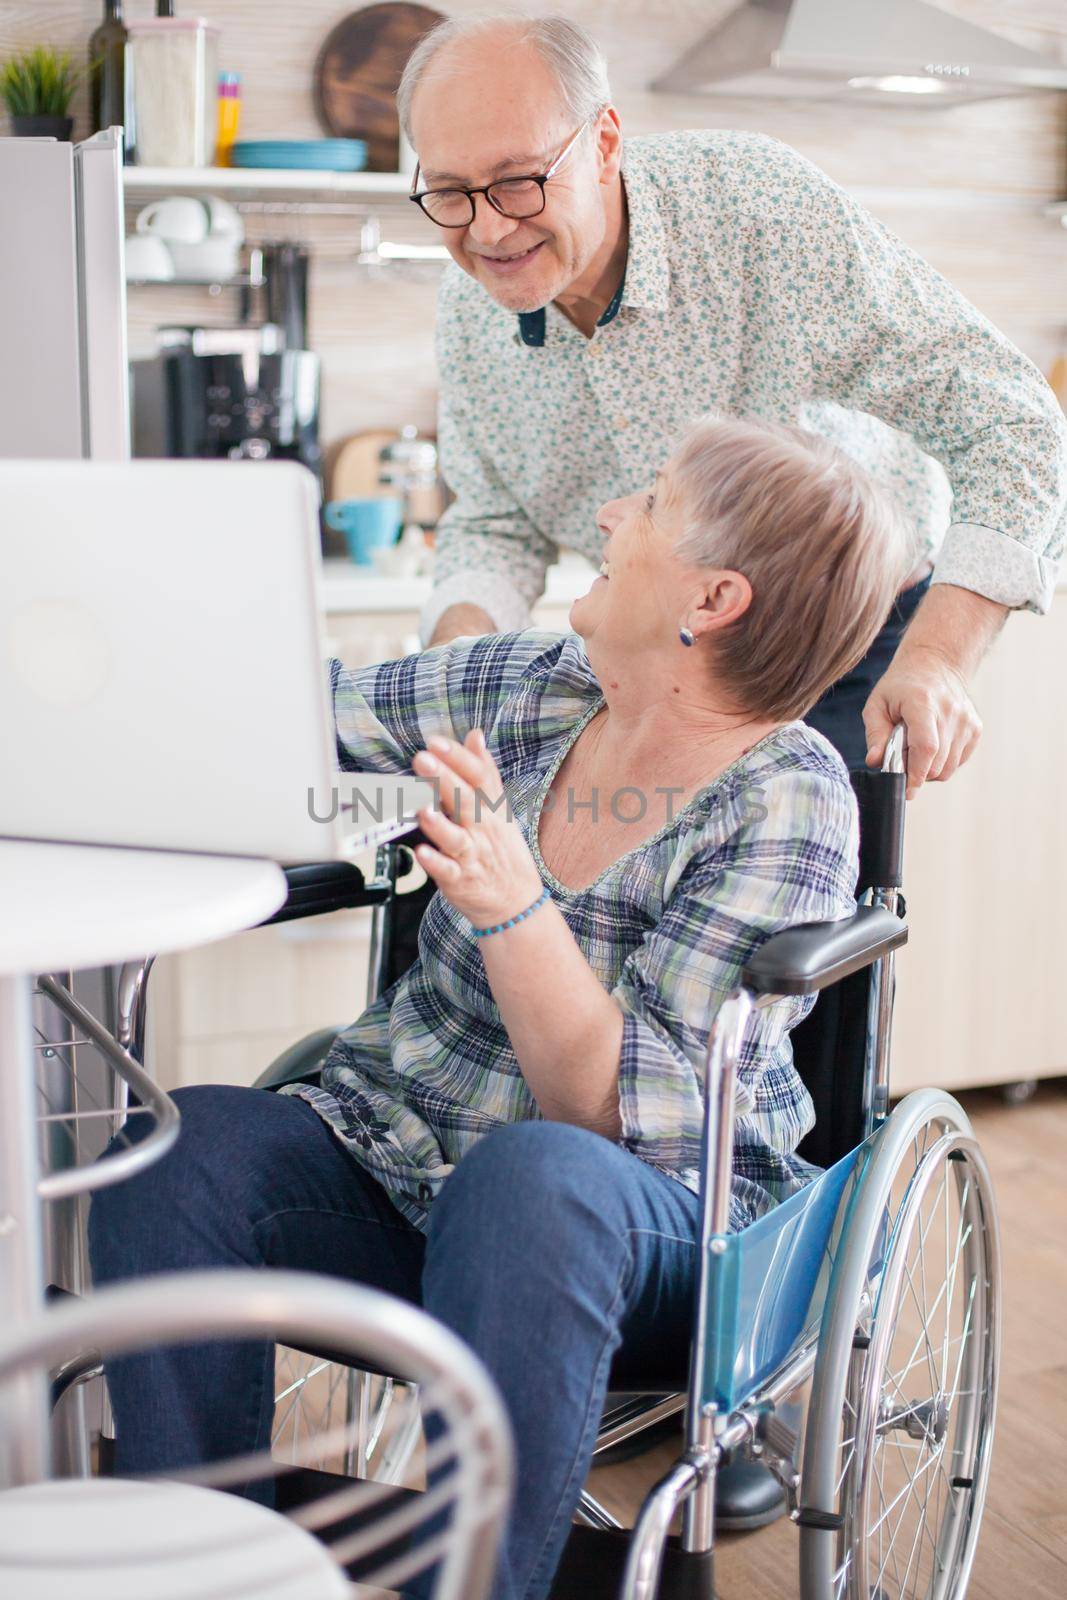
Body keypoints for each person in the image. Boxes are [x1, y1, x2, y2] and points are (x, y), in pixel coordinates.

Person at [90, 414, 912, 1600]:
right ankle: (203, 1571)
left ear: (710, 597)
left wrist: (513, 904)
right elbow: (285, 717)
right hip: (402, 1158)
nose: (609, 517)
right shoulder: (528, 684)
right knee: (175, 1155)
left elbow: (603, 1115)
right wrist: (104, 661)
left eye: (649, 504)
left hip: (651, 1230)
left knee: (529, 1178)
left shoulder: (784, 798)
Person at [401, 13, 1066, 791]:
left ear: (605, 142)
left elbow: (1010, 421)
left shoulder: (757, 208)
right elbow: (494, 520)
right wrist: (452, 684)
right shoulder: (468, 300)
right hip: (648, 667)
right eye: (449, 191)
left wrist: (937, 659)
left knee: (794, 905)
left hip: (839, 650)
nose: (487, 228)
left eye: (518, 182)